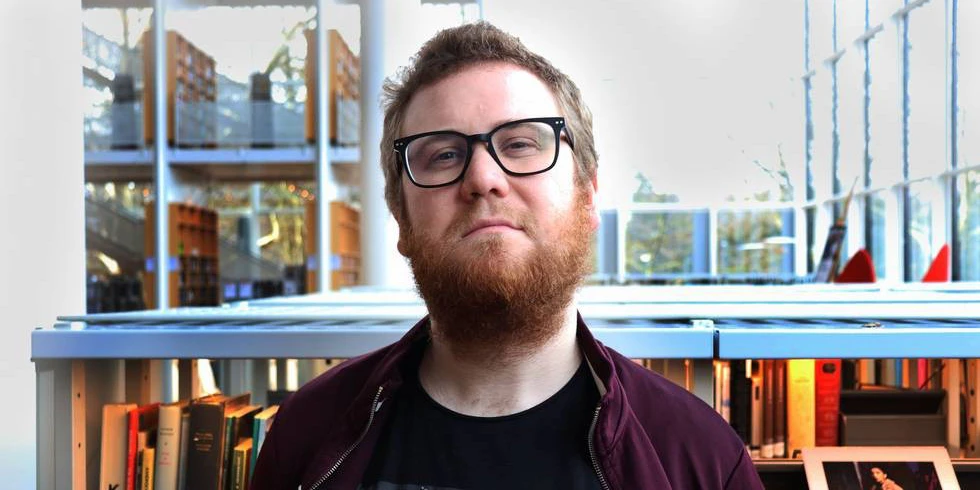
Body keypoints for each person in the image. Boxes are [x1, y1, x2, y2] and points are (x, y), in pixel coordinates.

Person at [251, 21, 763, 490]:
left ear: (587, 196)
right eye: (443, 154)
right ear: (401, 220)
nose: (483, 178)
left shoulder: (702, 460)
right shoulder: (305, 435)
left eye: (519, 144)